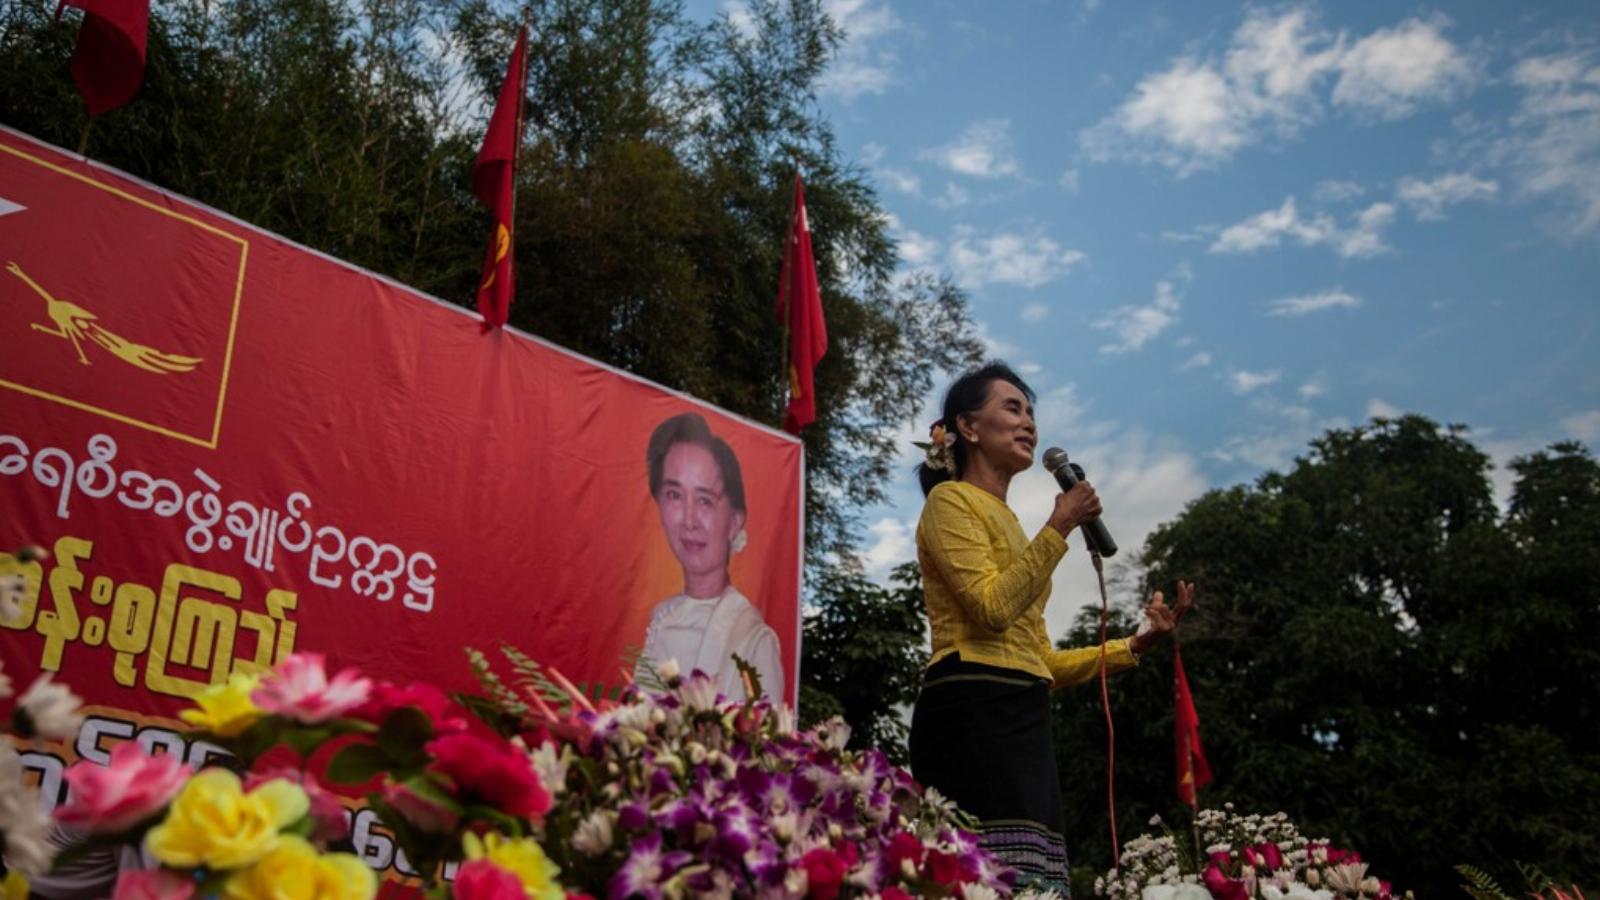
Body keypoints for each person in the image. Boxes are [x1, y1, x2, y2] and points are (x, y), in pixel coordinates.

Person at [909, 361, 1194, 896]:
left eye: (1031, 413)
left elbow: (1039, 659)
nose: (1028, 424)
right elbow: (991, 609)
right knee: (978, 878)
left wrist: (1135, 644)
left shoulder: (1013, 523)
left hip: (1023, 712)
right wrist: (1061, 523)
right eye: (1011, 409)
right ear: (968, 428)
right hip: (971, 709)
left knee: (1034, 881)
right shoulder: (948, 503)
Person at [635, 412, 785, 701]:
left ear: (734, 521)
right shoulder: (661, 621)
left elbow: (766, 743)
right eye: (674, 495)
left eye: (705, 500)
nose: (688, 520)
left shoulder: (753, 640)